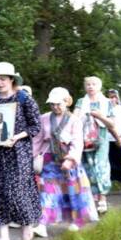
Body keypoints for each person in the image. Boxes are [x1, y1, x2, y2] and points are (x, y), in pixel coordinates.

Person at [0, 62, 42, 240]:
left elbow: (35, 126)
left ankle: (27, 225)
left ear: (12, 80)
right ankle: (3, 237)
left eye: (3, 79)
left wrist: (16, 137)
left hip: (18, 152)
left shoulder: (24, 98)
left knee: (17, 191)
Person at [32, 87, 98, 230]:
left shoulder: (75, 120)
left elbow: (77, 142)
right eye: (52, 104)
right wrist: (33, 157)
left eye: (58, 104)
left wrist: (70, 159)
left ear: (67, 102)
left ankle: (75, 222)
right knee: (47, 192)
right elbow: (37, 140)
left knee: (72, 193)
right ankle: (42, 225)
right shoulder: (44, 118)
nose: (55, 107)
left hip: (68, 162)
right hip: (49, 162)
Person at [72, 76, 115, 214]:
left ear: (99, 86)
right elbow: (73, 119)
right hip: (84, 139)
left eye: (94, 84)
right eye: (88, 84)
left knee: (100, 167)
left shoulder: (106, 102)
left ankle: (102, 199)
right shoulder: (81, 101)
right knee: (88, 168)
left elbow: (112, 124)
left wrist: (99, 116)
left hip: (101, 139)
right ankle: (91, 201)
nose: (91, 86)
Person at [105, 89, 121, 190]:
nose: (111, 99)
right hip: (106, 140)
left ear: (117, 98)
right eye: (108, 97)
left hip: (119, 139)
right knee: (108, 162)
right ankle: (110, 182)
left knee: (116, 161)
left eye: (113, 97)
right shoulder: (103, 109)